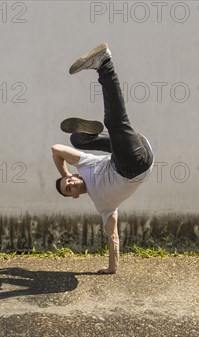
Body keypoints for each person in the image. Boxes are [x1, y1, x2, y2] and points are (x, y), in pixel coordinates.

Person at [51, 43, 154, 274]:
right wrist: (111, 267)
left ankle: (91, 133)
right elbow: (113, 236)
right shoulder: (103, 205)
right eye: (68, 190)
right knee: (115, 122)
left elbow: (56, 148)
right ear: (75, 196)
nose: (70, 185)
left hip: (132, 146)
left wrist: (64, 174)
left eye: (68, 182)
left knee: (77, 141)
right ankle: (104, 64)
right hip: (134, 165)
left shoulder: (85, 166)